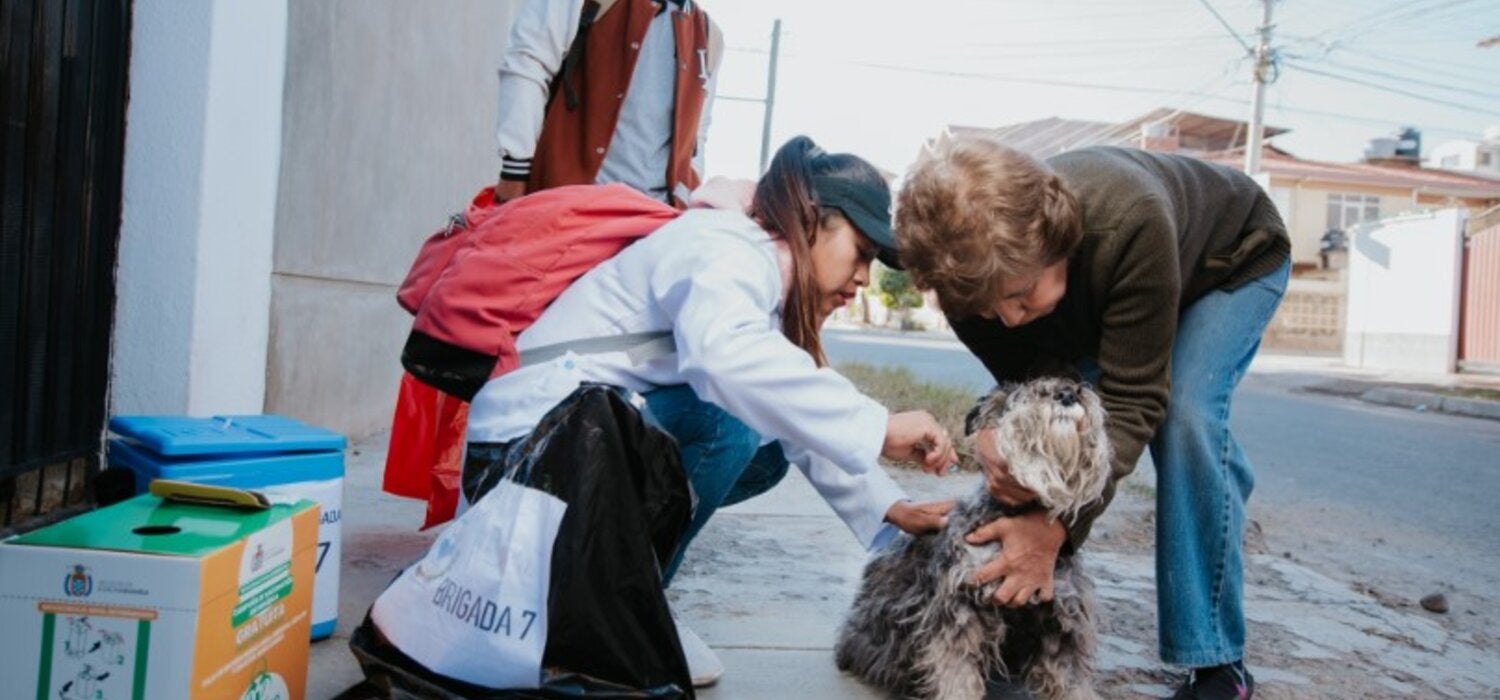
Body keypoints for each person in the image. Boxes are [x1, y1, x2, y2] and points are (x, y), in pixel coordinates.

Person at [464, 136, 959, 687]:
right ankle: (623, 610)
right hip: (523, 459)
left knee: (763, 451)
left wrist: (889, 505)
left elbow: (782, 396)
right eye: (863, 251)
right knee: (733, 424)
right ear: (814, 218)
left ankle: (610, 592)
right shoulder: (725, 248)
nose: (865, 277)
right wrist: (880, 426)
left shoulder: (754, 269)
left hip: (565, 451)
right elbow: (725, 359)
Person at [895, 136, 1291, 700]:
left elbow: (1135, 397)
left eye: (1021, 293)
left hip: (1227, 262)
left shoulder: (1129, 219)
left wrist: (1055, 529)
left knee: (1185, 417)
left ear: (1053, 243)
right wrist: (989, 430)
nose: (1008, 318)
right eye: (988, 306)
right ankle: (1018, 620)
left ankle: (1217, 660)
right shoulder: (971, 282)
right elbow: (1025, 388)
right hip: (1107, 282)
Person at [494, 0, 721, 207]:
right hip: (571, 206)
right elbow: (527, 63)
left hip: (655, 223)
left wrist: (687, 205)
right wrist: (516, 169)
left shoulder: (708, 36)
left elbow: (696, 137)